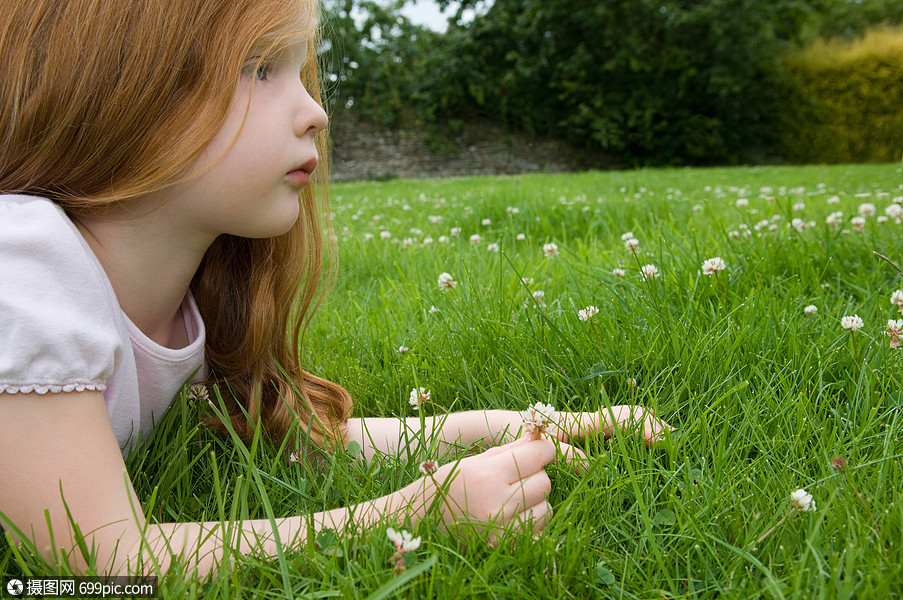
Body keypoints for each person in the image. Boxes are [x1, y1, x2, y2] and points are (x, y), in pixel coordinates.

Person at [0, 0, 671, 578]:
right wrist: (407, 517)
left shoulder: (185, 292)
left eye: (301, 71)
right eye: (260, 67)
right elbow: (98, 566)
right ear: (119, 88)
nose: (315, 111)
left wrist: (520, 426)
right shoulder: (25, 261)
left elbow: (297, 439)